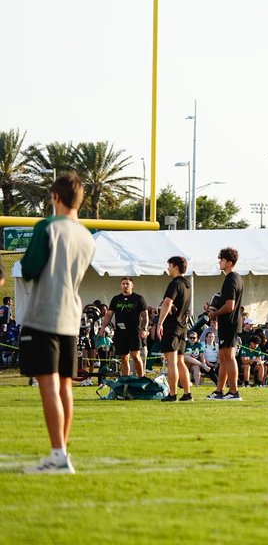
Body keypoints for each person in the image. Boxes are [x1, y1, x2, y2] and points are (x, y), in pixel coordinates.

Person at [16, 173, 95, 474]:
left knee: (47, 385)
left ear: (55, 197)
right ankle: (61, 453)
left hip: (44, 312)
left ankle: (58, 454)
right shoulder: (87, 236)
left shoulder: (47, 227)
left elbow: (29, 267)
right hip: (70, 316)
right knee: (65, 387)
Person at [205, 246, 245, 401]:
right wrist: (213, 308)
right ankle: (219, 390)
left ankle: (234, 392)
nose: (219, 262)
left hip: (230, 323)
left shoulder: (231, 279)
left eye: (221, 260)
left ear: (229, 262)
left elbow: (230, 305)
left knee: (229, 357)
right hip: (229, 323)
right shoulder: (235, 278)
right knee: (223, 358)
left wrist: (214, 313)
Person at [156, 256, 193, 402]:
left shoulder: (175, 283)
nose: (168, 268)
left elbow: (167, 303)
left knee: (171, 361)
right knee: (180, 361)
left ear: (176, 267)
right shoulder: (188, 285)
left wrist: (160, 323)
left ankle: (172, 394)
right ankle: (187, 393)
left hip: (172, 325)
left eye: (169, 265)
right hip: (183, 326)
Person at [102, 278, 149, 378]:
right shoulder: (116, 299)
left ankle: (141, 378)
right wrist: (102, 328)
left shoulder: (138, 298)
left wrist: (144, 329)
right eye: (123, 284)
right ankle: (125, 380)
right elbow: (109, 315)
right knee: (123, 358)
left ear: (132, 285)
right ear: (120, 285)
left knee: (135, 356)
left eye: (127, 284)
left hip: (134, 332)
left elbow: (145, 315)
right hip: (120, 332)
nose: (125, 285)